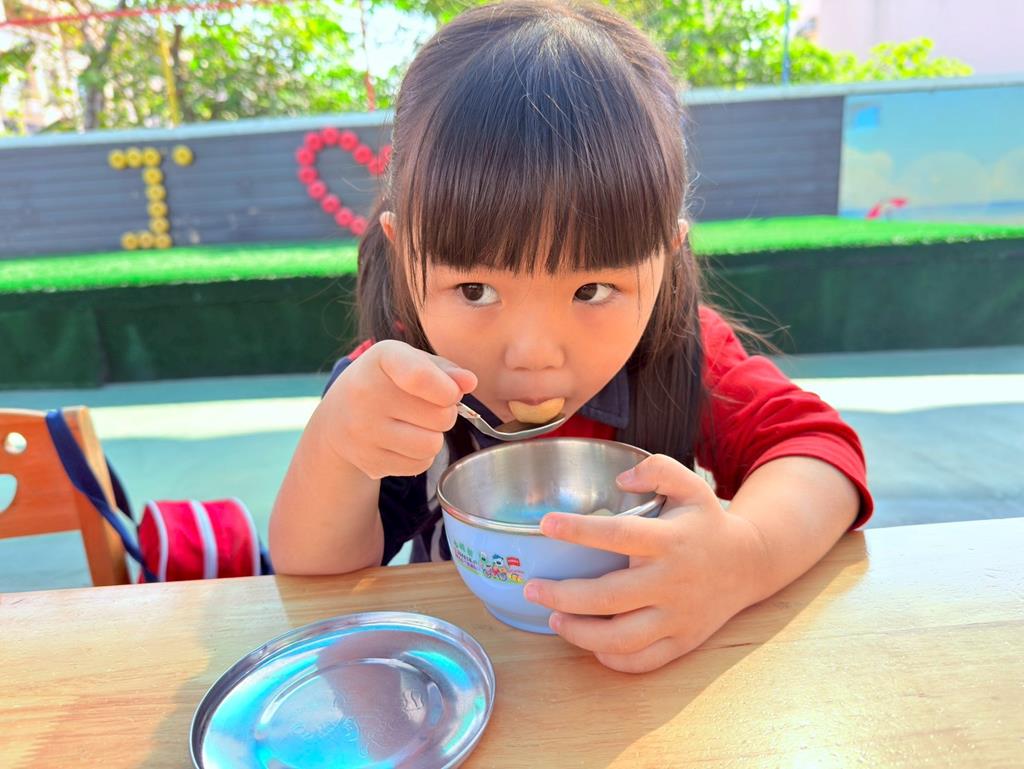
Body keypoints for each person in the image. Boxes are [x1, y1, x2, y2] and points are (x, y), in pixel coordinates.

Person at [270, 0, 872, 673]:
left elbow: (821, 453)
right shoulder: (394, 386)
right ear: (403, 251)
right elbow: (311, 571)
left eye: (591, 291)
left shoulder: (681, 351)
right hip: (458, 677)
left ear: (666, 256)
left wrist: (745, 556)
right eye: (475, 290)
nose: (534, 353)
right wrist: (338, 447)